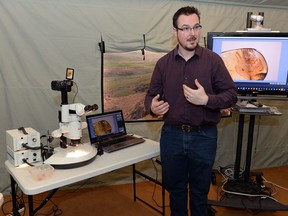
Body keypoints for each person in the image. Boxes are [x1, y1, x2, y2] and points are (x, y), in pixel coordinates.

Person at [144, 6, 238, 216]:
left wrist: (206, 100)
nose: (192, 33)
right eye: (185, 28)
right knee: (175, 191)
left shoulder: (213, 61)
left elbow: (231, 95)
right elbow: (150, 96)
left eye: (196, 27)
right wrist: (152, 106)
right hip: (172, 136)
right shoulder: (163, 64)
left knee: (199, 192)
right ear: (175, 32)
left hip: (204, 136)